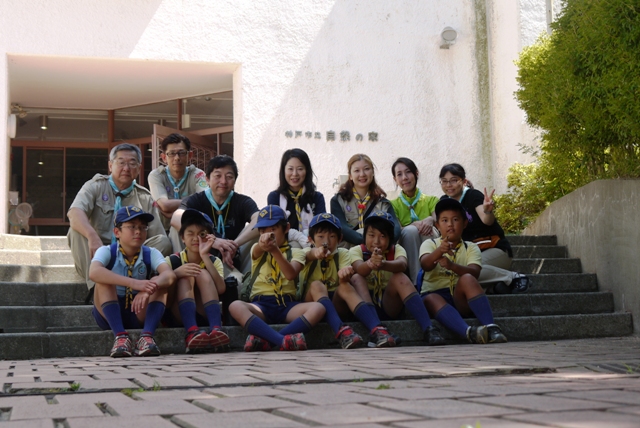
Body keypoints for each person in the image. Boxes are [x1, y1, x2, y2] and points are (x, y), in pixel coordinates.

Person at [68, 143, 172, 292]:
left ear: (139, 168)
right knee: (75, 231)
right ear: (110, 166)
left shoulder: (145, 197)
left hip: (132, 255)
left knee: (163, 241)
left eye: (132, 163)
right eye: (121, 162)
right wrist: (92, 236)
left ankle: (133, 282)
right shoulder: (95, 186)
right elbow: (74, 212)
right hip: (99, 252)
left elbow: (157, 235)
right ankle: (96, 287)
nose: (126, 168)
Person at [229, 205, 325, 351]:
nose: (267, 235)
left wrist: (275, 251)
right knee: (235, 306)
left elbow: (290, 274)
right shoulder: (257, 249)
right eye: (262, 231)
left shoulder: (296, 252)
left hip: (287, 305)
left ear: (286, 228)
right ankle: (282, 341)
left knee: (318, 308)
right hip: (261, 305)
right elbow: (259, 248)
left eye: (273, 229)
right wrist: (266, 245)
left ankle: (269, 341)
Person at [89, 206, 176, 357]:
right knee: (103, 279)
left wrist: (148, 288)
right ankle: (120, 337)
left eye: (143, 227)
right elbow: (94, 272)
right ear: (117, 232)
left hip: (138, 310)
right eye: (132, 227)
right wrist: (134, 283)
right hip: (108, 312)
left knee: (159, 282)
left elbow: (169, 275)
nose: (138, 231)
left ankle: (147, 336)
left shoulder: (151, 253)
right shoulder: (107, 251)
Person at [301, 213, 396, 349]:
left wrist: (344, 275)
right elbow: (308, 255)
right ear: (310, 239)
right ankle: (341, 332)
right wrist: (315, 253)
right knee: (316, 285)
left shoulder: (343, 253)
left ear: (340, 238)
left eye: (332, 236)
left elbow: (344, 275)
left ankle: (376, 329)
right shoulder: (304, 253)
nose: (326, 241)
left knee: (346, 285)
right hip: (312, 304)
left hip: (335, 301)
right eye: (320, 237)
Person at [350, 211, 446, 346]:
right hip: (365, 302)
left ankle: (428, 328)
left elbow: (402, 264)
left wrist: (383, 264)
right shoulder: (356, 250)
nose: (376, 241)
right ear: (364, 235)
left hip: (389, 302)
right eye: (371, 235)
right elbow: (359, 268)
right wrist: (370, 263)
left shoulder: (396, 249)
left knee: (400, 277)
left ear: (390, 238)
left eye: (382, 236)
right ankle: (377, 329)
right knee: (356, 278)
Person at [420, 198, 507, 344]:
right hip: (435, 295)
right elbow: (425, 264)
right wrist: (439, 251)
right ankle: (468, 332)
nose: (450, 224)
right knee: (430, 298)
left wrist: (452, 266)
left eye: (455, 219)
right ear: (437, 225)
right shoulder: (430, 243)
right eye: (445, 220)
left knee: (468, 278)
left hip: (460, 297)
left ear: (465, 223)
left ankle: (491, 327)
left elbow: (475, 273)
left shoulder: (471, 247)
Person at [438, 163, 530, 294]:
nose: (449, 185)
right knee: (451, 274)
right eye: (444, 181)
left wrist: (487, 211)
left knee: (462, 270)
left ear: (464, 181)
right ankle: (492, 288)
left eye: (454, 180)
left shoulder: (473, 195)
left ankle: (513, 277)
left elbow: (487, 220)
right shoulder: (444, 202)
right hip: (469, 254)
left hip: (495, 250)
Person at [172, 155, 259, 280]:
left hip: (232, 258)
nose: (223, 181)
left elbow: (259, 219)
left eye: (229, 177)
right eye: (218, 176)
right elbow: (175, 218)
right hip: (201, 256)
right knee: (178, 228)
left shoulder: (243, 201)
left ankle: (249, 279)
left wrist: (233, 245)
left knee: (261, 229)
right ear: (207, 179)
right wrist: (213, 240)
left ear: (235, 180)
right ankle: (183, 266)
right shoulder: (197, 199)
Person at [165, 209, 230, 354]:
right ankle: (191, 331)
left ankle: (216, 328)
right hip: (178, 313)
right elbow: (162, 290)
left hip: (203, 311)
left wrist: (204, 256)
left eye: (202, 234)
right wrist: (176, 273)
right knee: (185, 275)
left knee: (202, 273)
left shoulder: (214, 261)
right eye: (190, 233)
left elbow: (221, 289)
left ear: (210, 238)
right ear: (182, 237)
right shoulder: (172, 260)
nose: (196, 238)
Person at [148, 133, 208, 252]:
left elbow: (204, 201)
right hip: (162, 232)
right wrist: (191, 202)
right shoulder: (157, 175)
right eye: (171, 153)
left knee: (181, 228)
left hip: (192, 228)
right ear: (164, 157)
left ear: (189, 155)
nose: (177, 158)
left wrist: (174, 213)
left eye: (181, 153)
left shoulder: (198, 175)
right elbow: (165, 205)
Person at [330, 154, 401, 248]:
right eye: (357, 170)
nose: (362, 174)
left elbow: (395, 228)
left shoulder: (382, 203)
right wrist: (369, 241)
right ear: (350, 175)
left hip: (378, 250)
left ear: (373, 172)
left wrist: (380, 242)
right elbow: (342, 228)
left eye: (366, 169)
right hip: (348, 251)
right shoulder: (338, 201)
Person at [390, 157, 440, 284]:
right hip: (406, 246)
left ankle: (432, 280)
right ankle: (417, 282)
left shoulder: (431, 200)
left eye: (408, 172)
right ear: (395, 179)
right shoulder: (392, 205)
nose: (404, 178)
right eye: (399, 174)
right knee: (410, 231)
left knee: (429, 230)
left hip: (429, 238)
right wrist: (413, 225)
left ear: (416, 173)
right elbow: (397, 229)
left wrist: (430, 219)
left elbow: (439, 219)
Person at [267, 148, 326, 247]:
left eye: (300, 169)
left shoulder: (317, 197)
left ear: (307, 171)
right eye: (290, 169)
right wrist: (298, 237)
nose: (294, 174)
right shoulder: (274, 197)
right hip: (284, 246)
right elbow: (274, 229)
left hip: (312, 245)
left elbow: (321, 228)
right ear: (283, 170)